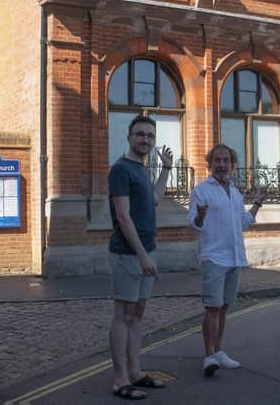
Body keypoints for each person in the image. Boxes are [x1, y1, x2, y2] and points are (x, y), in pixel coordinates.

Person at [108, 115, 173, 400]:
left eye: (149, 135)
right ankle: (120, 379)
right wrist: (142, 256)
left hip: (148, 251)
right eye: (140, 134)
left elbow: (155, 200)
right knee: (123, 315)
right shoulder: (120, 170)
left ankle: (135, 372)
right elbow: (122, 217)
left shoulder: (142, 170)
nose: (145, 139)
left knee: (138, 315)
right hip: (128, 253)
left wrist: (166, 169)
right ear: (129, 137)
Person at [189, 144, 268, 376]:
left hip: (234, 257)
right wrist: (200, 216)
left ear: (232, 165)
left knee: (223, 308)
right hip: (214, 256)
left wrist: (259, 202)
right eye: (217, 161)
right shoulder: (201, 191)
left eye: (226, 160)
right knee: (212, 308)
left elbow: (242, 222)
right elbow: (194, 223)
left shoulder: (234, 192)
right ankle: (208, 356)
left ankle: (219, 350)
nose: (221, 165)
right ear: (210, 164)